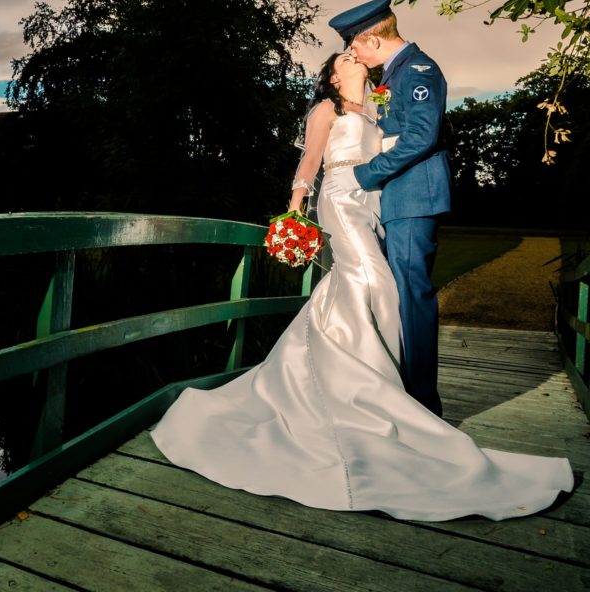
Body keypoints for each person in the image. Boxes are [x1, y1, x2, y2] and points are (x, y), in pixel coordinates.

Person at [149, 51, 573, 521]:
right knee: (375, 280)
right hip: (340, 198)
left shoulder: (378, 107)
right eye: (346, 57)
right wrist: (294, 212)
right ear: (334, 75)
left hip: (373, 202)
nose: (355, 56)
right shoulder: (326, 110)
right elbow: (311, 160)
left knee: (359, 286)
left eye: (355, 53)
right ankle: (370, 389)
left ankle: (347, 372)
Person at [331, 0, 450, 417]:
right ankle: (406, 392)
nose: (355, 54)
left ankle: (423, 405)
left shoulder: (417, 70)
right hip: (399, 197)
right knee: (398, 295)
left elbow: (421, 136)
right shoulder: (397, 73)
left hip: (414, 196)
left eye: (355, 46)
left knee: (412, 297)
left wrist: (364, 175)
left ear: (370, 39)